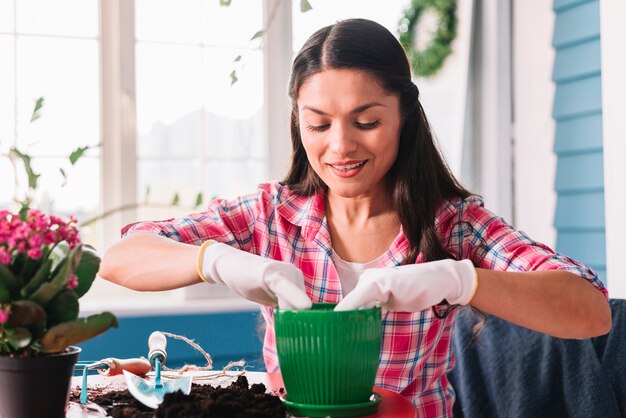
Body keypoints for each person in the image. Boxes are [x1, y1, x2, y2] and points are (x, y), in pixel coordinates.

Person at [99, 18, 611, 417]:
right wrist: (217, 262)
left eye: (366, 121)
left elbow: (591, 308)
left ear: (404, 117)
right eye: (318, 124)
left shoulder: (452, 225)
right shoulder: (268, 214)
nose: (340, 147)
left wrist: (459, 279)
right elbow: (121, 257)